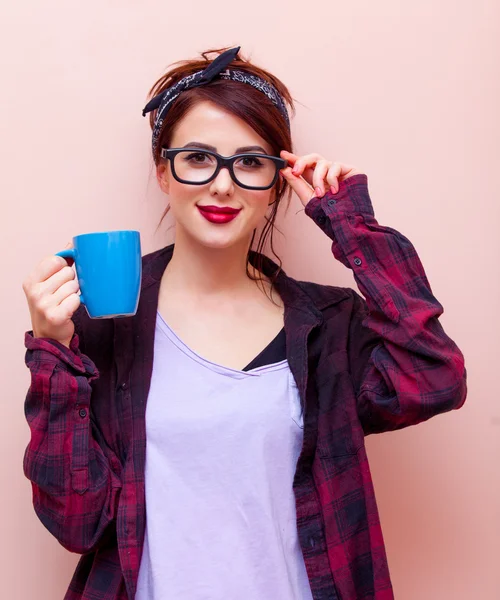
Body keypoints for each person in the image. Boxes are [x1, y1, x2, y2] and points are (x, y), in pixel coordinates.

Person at [21, 45, 467, 600]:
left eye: (250, 162)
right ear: (163, 171)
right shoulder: (104, 322)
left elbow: (434, 379)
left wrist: (352, 226)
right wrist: (53, 351)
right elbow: (76, 522)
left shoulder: (327, 325)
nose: (223, 185)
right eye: (198, 157)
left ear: (279, 179)